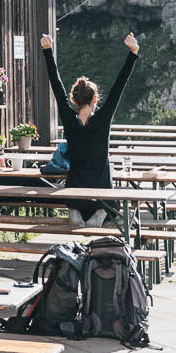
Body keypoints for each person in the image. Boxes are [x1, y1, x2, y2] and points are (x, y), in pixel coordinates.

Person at [39, 31, 140, 226]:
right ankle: (101, 213)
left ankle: (75, 212)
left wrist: (47, 51)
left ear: (74, 100)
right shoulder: (103, 119)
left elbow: (56, 84)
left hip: (75, 192)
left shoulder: (69, 119)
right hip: (101, 192)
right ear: (95, 99)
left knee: (75, 196)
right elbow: (119, 85)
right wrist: (133, 54)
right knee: (110, 202)